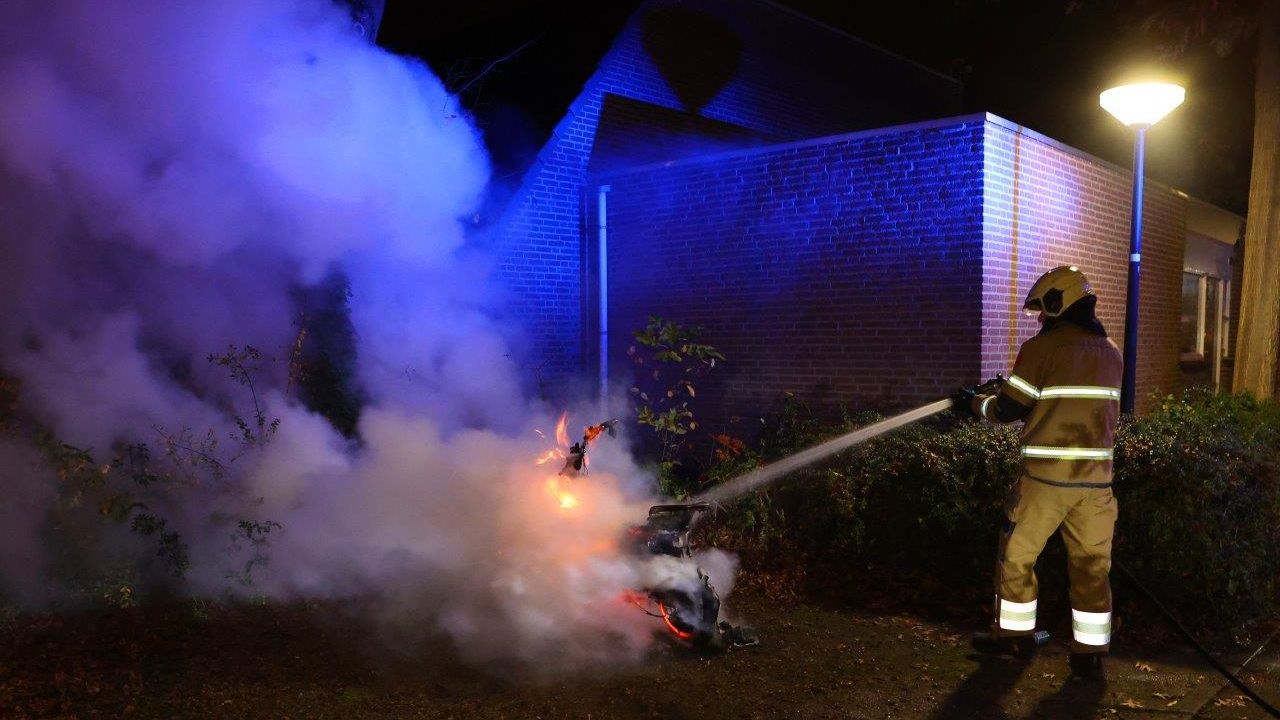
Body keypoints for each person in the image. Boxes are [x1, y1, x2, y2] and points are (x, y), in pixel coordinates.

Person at [954, 266, 1122, 681]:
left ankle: (1014, 638)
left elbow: (1009, 409)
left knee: (1016, 558)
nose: (1041, 320)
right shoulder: (1112, 352)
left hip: (1045, 482)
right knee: (1091, 568)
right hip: (1096, 485)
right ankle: (1089, 656)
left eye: (1043, 312)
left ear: (1057, 304)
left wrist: (974, 404)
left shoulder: (1040, 350)